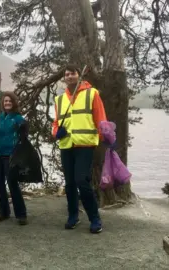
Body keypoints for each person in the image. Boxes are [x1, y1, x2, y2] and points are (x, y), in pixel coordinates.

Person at [52, 64, 106, 234]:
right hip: (66, 144)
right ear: (64, 78)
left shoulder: (92, 93)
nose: (69, 76)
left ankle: (94, 218)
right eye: (66, 74)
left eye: (72, 73)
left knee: (82, 180)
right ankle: (73, 216)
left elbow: (101, 118)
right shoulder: (59, 100)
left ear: (78, 76)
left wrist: (105, 137)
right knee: (69, 184)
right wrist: (56, 132)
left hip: (84, 144)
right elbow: (56, 122)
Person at [0, 91, 28, 226]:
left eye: (9, 101)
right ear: (2, 103)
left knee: (12, 183)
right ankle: (4, 212)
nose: (7, 103)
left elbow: (24, 135)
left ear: (13, 103)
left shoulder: (17, 118)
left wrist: (23, 129)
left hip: (10, 154)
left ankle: (21, 214)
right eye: (5, 101)